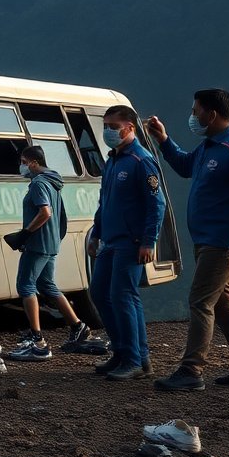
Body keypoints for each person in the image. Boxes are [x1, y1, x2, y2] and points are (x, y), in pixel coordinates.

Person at [146, 89, 229, 391]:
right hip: (206, 240)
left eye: (195, 111)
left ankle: (192, 370)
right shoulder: (209, 147)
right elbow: (184, 166)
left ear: (211, 114)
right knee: (222, 303)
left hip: (226, 241)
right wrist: (163, 140)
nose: (193, 116)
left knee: (200, 300)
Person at [88, 105, 166, 381]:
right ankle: (124, 352)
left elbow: (157, 204)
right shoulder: (112, 161)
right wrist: (96, 233)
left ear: (129, 128)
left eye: (113, 126)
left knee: (124, 296)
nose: (108, 130)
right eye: (106, 125)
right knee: (99, 293)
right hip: (109, 240)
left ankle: (135, 359)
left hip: (131, 242)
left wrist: (148, 240)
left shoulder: (141, 161)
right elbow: (104, 203)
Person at [6, 146, 88, 362]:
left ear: (33, 162)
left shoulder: (39, 183)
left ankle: (37, 338)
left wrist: (24, 234)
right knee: (47, 285)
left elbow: (45, 212)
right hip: (51, 242)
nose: (21, 166)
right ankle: (78, 327)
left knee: (25, 286)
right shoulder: (53, 182)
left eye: (24, 161)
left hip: (37, 244)